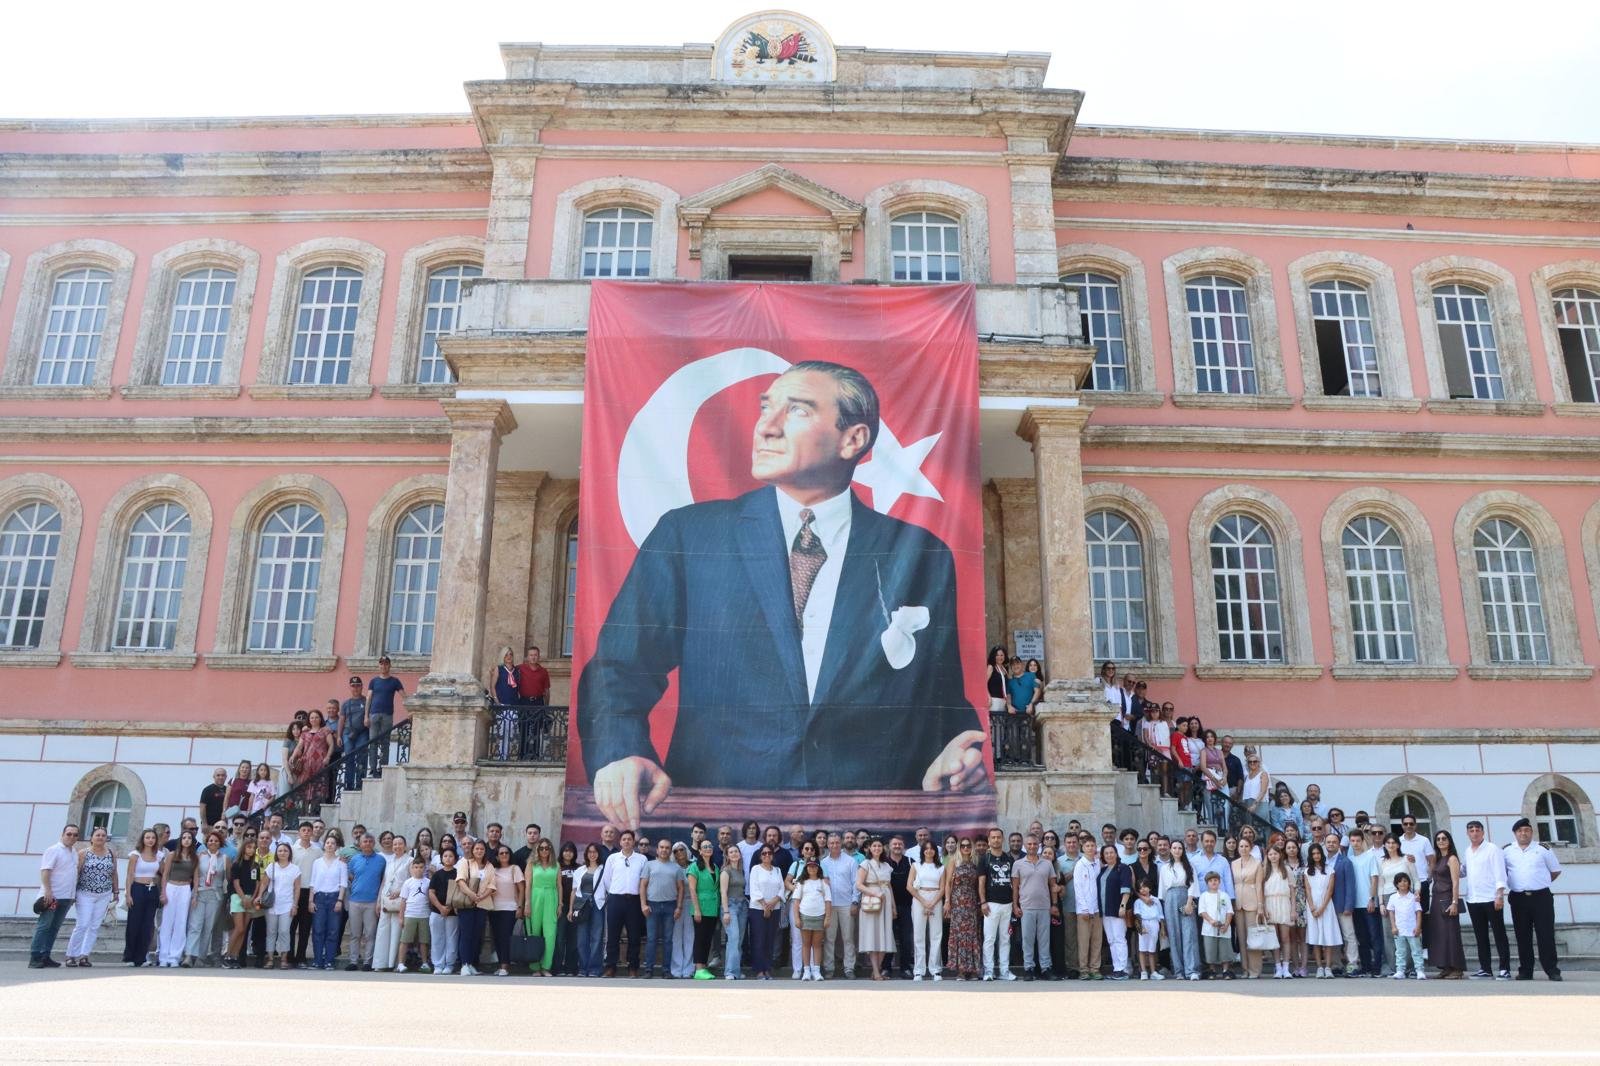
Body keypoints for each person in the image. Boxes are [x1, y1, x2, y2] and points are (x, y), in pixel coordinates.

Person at [578, 361, 985, 828]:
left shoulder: (921, 553)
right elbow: (618, 669)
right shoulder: (688, 537)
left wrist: (954, 756)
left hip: (866, 833)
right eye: (765, 408)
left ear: (852, 439)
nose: (765, 428)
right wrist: (621, 752)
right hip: (715, 831)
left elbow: (940, 699)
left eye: (796, 411)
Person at [1504, 817, 1562, 982]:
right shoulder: (1507, 850)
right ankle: (1526, 970)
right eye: (1520, 831)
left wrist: (1539, 883)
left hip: (1541, 897)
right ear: (1515, 833)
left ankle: (1552, 970)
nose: (1523, 833)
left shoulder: (1543, 849)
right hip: (1518, 898)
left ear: (1531, 832)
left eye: (1527, 830)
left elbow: (1555, 871)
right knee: (1522, 935)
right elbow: (1502, 872)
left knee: (1546, 934)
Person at [1462, 820, 1510, 980]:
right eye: (1471, 830)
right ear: (1467, 833)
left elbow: (1500, 872)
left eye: (1477, 830)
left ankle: (1504, 969)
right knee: (1480, 935)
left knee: (1499, 934)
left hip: (1491, 898)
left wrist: (1499, 895)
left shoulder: (1492, 849)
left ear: (1483, 832)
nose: (1474, 833)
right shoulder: (1468, 851)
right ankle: (1485, 968)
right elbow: (1464, 871)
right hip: (1473, 899)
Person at [596, 829, 647, 977]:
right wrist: (615, 892)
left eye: (629, 839)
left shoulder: (641, 859)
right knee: (613, 935)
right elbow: (607, 880)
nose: (626, 841)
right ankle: (611, 967)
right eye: (624, 839)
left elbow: (644, 880)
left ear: (633, 841)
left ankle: (633, 967)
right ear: (620, 842)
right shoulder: (612, 858)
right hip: (615, 900)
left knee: (634, 936)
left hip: (634, 901)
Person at [64, 826, 117, 967]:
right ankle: (71, 955)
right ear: (91, 838)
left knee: (94, 926)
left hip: (104, 894)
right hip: (85, 893)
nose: (100, 837)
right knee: (82, 924)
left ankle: (84, 955)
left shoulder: (111, 853)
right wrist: (72, 893)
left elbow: (114, 873)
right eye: (97, 835)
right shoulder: (83, 853)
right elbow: (77, 873)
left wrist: (116, 892)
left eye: (103, 835)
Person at [29, 824, 81, 969]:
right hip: (52, 896)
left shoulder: (74, 852)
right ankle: (35, 956)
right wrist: (48, 891)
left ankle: (46, 956)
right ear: (62, 834)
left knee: (54, 928)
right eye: (69, 834)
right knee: (44, 926)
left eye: (75, 835)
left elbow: (72, 874)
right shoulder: (53, 850)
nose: (72, 837)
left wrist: (72, 895)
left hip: (66, 897)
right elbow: (45, 871)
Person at [639, 838, 683, 978]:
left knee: (668, 940)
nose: (664, 850)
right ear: (657, 850)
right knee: (651, 939)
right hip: (652, 906)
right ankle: (648, 970)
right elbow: (643, 885)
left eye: (667, 847)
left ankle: (666, 970)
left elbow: (681, 888)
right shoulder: (649, 865)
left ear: (670, 851)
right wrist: (643, 904)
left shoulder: (676, 868)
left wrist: (679, 907)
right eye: (662, 847)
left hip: (670, 906)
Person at [1012, 833, 1053, 981]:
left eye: (1035, 844)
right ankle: (1028, 968)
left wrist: (1054, 904)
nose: (1032, 846)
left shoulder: (1047, 864)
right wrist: (1015, 905)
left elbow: (1053, 885)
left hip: (1044, 906)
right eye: (1029, 844)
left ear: (1039, 846)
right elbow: (1015, 887)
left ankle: (1045, 968)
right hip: (1026, 907)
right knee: (1027, 939)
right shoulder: (1018, 864)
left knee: (1044, 940)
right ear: (1025, 846)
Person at [976, 827, 1015, 982]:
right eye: (993, 837)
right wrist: (983, 902)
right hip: (991, 904)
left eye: (998, 837)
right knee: (990, 939)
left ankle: (1004, 971)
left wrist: (1014, 903)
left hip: (1008, 904)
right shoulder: (984, 859)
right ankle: (989, 971)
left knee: (1005, 939)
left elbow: (1014, 882)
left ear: (1002, 839)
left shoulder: (1009, 859)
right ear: (989, 840)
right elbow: (981, 883)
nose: (996, 840)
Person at [1426, 829, 1466, 979]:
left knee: (1451, 933)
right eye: (1438, 839)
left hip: (1448, 898)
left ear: (1449, 841)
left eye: (1444, 838)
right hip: (1436, 898)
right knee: (1440, 934)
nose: (1441, 841)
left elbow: (1456, 882)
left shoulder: (1452, 859)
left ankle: (1457, 968)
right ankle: (1445, 966)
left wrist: (1455, 902)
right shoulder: (1438, 858)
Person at [818, 832, 858, 979]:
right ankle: (829, 968)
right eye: (831, 843)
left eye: (836, 842)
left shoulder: (850, 861)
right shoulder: (823, 863)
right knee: (829, 938)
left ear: (841, 843)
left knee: (848, 938)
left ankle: (849, 968)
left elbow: (856, 883)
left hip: (847, 904)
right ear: (827, 845)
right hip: (829, 906)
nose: (834, 845)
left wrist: (855, 902)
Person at [855, 837, 896, 981]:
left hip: (886, 902)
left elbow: (889, 886)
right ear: (869, 849)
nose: (877, 848)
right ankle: (876, 971)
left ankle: (876, 970)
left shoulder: (886, 865)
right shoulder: (865, 864)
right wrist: (875, 893)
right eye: (874, 846)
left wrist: (893, 906)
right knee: (872, 936)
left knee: (884, 936)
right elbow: (859, 885)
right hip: (871, 902)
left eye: (879, 846)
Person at [454, 840, 496, 976]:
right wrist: (471, 894)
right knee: (466, 934)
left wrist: (482, 896)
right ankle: (464, 964)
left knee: (477, 935)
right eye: (477, 848)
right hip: (467, 903)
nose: (479, 851)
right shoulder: (465, 863)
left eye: (482, 849)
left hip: (482, 904)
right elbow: (460, 881)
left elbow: (492, 885)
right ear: (473, 850)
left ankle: (471, 963)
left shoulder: (489, 866)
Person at [156, 829, 198, 967]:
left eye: (189, 838)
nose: (187, 840)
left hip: (185, 888)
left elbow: (196, 878)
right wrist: (163, 892)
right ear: (181, 840)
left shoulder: (194, 857)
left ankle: (174, 956)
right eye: (184, 837)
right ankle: (163, 956)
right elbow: (165, 874)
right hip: (171, 887)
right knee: (167, 922)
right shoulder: (172, 855)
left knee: (181, 922)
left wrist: (195, 894)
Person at [121, 828, 162, 967]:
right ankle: (129, 957)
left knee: (147, 925)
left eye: (153, 838)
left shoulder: (159, 855)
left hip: (152, 890)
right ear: (143, 839)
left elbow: (162, 873)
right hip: (137, 888)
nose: (150, 840)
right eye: (147, 837)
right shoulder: (135, 855)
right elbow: (130, 875)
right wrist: (128, 894)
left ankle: (141, 957)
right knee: (134, 923)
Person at [1159, 839, 1199, 981]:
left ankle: (1191, 970)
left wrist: (1189, 902)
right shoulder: (1165, 868)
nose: (1177, 850)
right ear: (1170, 850)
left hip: (1186, 896)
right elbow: (1163, 891)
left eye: (1180, 848)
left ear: (1183, 850)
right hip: (1170, 898)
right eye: (1174, 848)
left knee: (1189, 933)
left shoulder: (1189, 866)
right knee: (1174, 935)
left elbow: (1193, 884)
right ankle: (1179, 971)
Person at [345, 834, 386, 971]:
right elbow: (350, 875)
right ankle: (353, 961)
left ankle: (368, 962)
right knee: (355, 934)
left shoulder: (381, 860)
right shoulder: (354, 859)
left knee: (370, 934)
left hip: (372, 902)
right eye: (365, 841)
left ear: (374, 843)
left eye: (370, 841)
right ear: (360, 844)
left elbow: (383, 879)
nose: (367, 843)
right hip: (355, 901)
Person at [308, 835, 348, 971]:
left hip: (334, 897)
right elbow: (312, 882)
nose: (330, 845)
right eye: (328, 842)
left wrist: (340, 900)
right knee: (318, 930)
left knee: (333, 930)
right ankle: (318, 960)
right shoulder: (317, 862)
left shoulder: (341, 863)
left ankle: (329, 961)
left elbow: (343, 884)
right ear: (324, 845)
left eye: (333, 843)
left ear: (337, 846)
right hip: (319, 898)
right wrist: (311, 901)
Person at [1303, 842, 1342, 979]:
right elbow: (1308, 890)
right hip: (1312, 906)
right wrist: (1312, 907)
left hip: (1327, 906)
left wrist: (1322, 907)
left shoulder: (1330, 870)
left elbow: (1330, 890)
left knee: (1328, 936)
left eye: (1318, 853)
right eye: (1313, 854)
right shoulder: (1307, 871)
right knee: (1315, 937)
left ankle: (1328, 967)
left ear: (1322, 854)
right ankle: (1319, 967)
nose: (1316, 856)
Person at [907, 841, 945, 981]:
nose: (929, 851)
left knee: (936, 934)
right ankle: (919, 970)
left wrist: (932, 903)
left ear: (935, 851)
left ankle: (935, 969)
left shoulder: (941, 867)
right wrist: (924, 902)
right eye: (926, 849)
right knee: (919, 935)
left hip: (936, 898)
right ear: (922, 851)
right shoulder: (916, 865)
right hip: (919, 899)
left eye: (932, 848)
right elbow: (909, 886)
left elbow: (942, 888)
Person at [746, 845, 785, 980]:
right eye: (764, 853)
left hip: (775, 908)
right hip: (758, 909)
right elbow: (754, 888)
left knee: (770, 939)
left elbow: (781, 888)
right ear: (760, 856)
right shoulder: (755, 869)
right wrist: (764, 905)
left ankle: (767, 969)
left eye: (769, 853)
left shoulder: (777, 870)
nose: (767, 855)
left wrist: (773, 902)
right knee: (758, 940)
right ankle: (759, 970)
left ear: (772, 855)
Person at [374, 833, 411, 971]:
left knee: (396, 930)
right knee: (382, 931)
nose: (397, 846)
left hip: (400, 899)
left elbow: (412, 880)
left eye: (400, 844)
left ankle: (394, 963)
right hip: (386, 898)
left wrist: (400, 891)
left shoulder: (410, 860)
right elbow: (384, 882)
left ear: (405, 846)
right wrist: (379, 901)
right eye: (395, 844)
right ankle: (380, 963)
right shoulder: (389, 861)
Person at [791, 857, 832, 981]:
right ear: (806, 868)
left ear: (818, 868)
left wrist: (827, 918)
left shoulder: (823, 883)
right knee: (806, 944)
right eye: (809, 866)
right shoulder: (801, 883)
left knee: (817, 944)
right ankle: (806, 971)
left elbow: (828, 901)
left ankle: (816, 971)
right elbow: (796, 902)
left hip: (819, 916)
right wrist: (797, 918)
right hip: (805, 916)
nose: (812, 868)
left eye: (814, 866)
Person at [224, 837, 261, 969]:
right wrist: (243, 898)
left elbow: (257, 883)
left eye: (253, 848)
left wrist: (252, 898)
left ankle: (235, 956)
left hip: (251, 898)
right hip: (238, 897)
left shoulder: (255, 866)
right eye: (249, 847)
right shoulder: (237, 864)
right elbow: (236, 883)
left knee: (244, 930)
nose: (251, 850)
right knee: (238, 928)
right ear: (244, 848)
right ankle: (227, 956)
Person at [262, 842, 300, 969]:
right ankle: (270, 958)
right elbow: (264, 884)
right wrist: (259, 896)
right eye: (280, 851)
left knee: (284, 931)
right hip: (272, 904)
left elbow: (297, 888)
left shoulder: (295, 869)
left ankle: (284, 958)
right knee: (271, 931)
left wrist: (295, 905)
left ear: (289, 853)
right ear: (276, 853)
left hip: (287, 904)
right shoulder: (271, 867)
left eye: (285, 850)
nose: (282, 853)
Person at [488, 844, 525, 977]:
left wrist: (520, 907)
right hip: (493, 908)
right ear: (497, 857)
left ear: (510, 855)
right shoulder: (492, 870)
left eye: (506, 853)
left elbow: (522, 889)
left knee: (505, 937)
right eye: (501, 853)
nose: (504, 855)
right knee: (497, 937)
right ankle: (501, 965)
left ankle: (505, 966)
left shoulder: (515, 869)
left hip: (510, 908)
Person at [1097, 843, 1133, 980]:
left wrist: (1123, 905)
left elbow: (1126, 888)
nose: (1109, 855)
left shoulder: (1122, 868)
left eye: (1111, 852)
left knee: (1119, 938)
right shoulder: (1103, 870)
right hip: (1105, 910)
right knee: (1111, 940)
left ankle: (1123, 969)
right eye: (1106, 853)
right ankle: (1116, 968)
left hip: (1117, 909)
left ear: (1116, 854)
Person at [524, 839, 560, 976]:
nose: (544, 850)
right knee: (534, 932)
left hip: (551, 897)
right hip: (535, 897)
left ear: (551, 850)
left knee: (550, 934)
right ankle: (535, 967)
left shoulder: (556, 865)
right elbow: (528, 885)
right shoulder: (531, 864)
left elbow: (559, 886)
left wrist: (560, 904)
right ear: (537, 850)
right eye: (541, 848)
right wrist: (527, 904)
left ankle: (546, 967)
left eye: (547, 848)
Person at [288, 709, 335, 814]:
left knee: (318, 787)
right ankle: (303, 812)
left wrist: (328, 757)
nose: (314, 719)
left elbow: (331, 745)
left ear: (320, 718)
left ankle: (315, 811)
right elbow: (299, 746)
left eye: (316, 717)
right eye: (312, 717)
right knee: (304, 787)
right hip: (306, 763)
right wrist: (293, 756)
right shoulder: (305, 733)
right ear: (309, 720)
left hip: (320, 762)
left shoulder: (325, 730)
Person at [686, 839, 721, 980]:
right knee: (700, 938)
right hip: (700, 907)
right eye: (704, 846)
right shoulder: (694, 867)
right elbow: (692, 890)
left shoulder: (715, 867)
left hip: (713, 908)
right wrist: (697, 910)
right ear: (699, 851)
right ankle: (698, 968)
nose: (708, 848)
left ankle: (704, 967)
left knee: (708, 939)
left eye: (710, 846)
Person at [1231, 833, 1263, 978]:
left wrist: (1260, 905)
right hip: (1238, 903)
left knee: (1253, 937)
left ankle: (1255, 969)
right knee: (1242, 937)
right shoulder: (1234, 863)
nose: (1243, 849)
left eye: (1246, 846)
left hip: (1252, 902)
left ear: (1250, 848)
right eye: (1241, 846)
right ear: (1238, 848)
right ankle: (1245, 969)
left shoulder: (1257, 863)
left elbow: (1259, 885)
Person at [365, 655, 405, 774]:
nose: (384, 666)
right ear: (379, 666)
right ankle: (372, 768)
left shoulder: (395, 681)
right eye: (381, 663)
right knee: (372, 742)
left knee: (385, 742)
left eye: (386, 663)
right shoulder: (374, 681)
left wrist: (410, 711)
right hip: (374, 714)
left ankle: (382, 767)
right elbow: (368, 698)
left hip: (387, 715)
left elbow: (404, 696)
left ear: (389, 665)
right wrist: (366, 716)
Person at [394, 857, 432, 973]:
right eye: (416, 867)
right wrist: (401, 917)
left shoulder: (428, 882)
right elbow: (403, 901)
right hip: (410, 914)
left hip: (424, 915)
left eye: (421, 867)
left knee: (424, 941)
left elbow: (430, 899)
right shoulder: (408, 882)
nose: (418, 869)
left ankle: (424, 963)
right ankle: (401, 963)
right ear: (412, 868)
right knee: (405, 940)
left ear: (424, 868)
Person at [427, 847, 460, 976]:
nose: (448, 858)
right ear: (441, 858)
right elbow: (431, 892)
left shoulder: (458, 874)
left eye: (451, 856)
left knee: (451, 938)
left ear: (455, 859)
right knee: (437, 938)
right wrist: (440, 907)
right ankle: (438, 964)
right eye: (445, 856)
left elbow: (459, 892)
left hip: (452, 912)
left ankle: (449, 964)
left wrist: (449, 907)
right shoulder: (437, 874)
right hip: (437, 911)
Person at [1196, 870, 1234, 980]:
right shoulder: (1204, 896)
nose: (1213, 882)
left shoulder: (1224, 895)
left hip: (1223, 928)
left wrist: (1226, 924)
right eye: (1211, 881)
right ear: (1207, 883)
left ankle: (1225, 970)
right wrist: (1211, 921)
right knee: (1210, 949)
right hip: (1209, 927)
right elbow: (1202, 911)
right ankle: (1212, 970)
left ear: (1219, 882)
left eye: (1216, 880)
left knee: (1224, 949)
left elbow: (1229, 911)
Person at [1387, 872, 1425, 981]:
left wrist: (1418, 927)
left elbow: (1418, 912)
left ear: (1409, 883)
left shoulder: (1413, 897)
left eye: (1405, 881)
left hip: (1412, 929)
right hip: (1399, 929)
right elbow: (1391, 912)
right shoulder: (1393, 897)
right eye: (1400, 881)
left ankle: (1419, 970)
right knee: (1400, 951)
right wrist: (1393, 927)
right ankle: (1400, 970)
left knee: (1416, 950)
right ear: (1396, 884)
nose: (1402, 883)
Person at [720, 842, 748, 980]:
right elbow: (723, 892)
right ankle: (730, 972)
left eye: (736, 851)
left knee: (739, 940)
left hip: (743, 906)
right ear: (727, 856)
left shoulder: (741, 871)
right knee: (733, 938)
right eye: (731, 852)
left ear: (740, 854)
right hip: (730, 906)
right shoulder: (726, 871)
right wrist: (726, 912)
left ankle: (736, 971)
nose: (734, 854)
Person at [340, 676, 369, 790]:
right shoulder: (346, 703)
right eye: (353, 686)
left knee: (362, 756)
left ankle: (360, 783)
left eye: (358, 685)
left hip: (362, 733)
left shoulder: (367, 701)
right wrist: (338, 736)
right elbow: (342, 720)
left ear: (362, 687)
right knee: (349, 758)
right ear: (350, 687)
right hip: (348, 733)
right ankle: (349, 784)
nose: (355, 688)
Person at [1131, 881, 1164, 980]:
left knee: (1152, 949)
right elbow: (1137, 915)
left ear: (1150, 888)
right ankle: (1143, 971)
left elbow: (1160, 915)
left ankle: (1153, 972)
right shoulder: (1138, 902)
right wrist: (1141, 927)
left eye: (1145, 887)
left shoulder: (1156, 900)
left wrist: (1162, 928)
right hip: (1143, 923)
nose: (1143, 889)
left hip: (1154, 923)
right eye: (1140, 888)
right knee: (1142, 948)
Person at [985, 645, 1009, 714]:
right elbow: (984, 684)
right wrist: (988, 697)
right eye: (997, 655)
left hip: (1003, 702)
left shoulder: (1005, 669)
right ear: (993, 656)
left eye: (1002, 655)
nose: (999, 657)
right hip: (994, 701)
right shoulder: (991, 667)